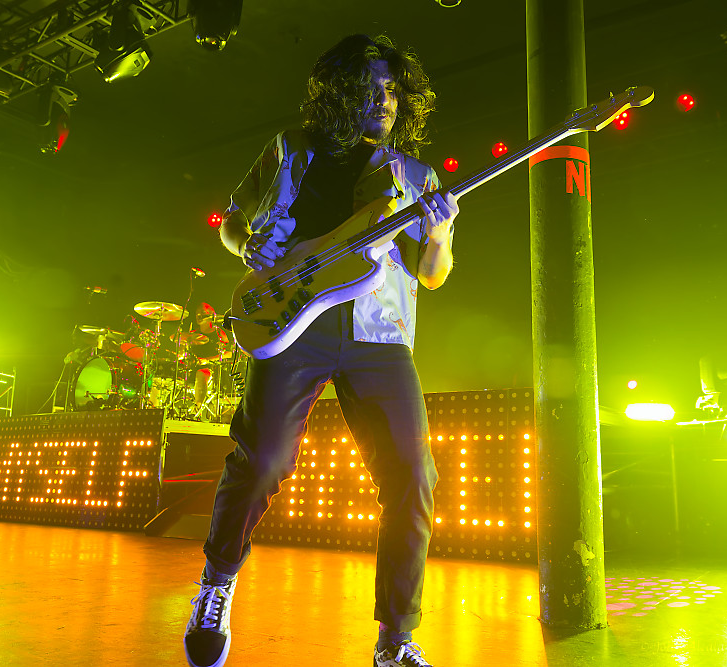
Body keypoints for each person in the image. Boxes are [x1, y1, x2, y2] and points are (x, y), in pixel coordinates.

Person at [183, 34, 458, 667]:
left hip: (378, 333)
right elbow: (232, 222)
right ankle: (217, 583)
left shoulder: (416, 177)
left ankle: (396, 639)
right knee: (262, 461)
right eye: (371, 88)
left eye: (393, 91)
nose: (384, 101)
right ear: (340, 93)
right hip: (291, 320)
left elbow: (433, 275)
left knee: (414, 475)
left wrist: (440, 234)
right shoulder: (288, 150)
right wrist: (244, 245)